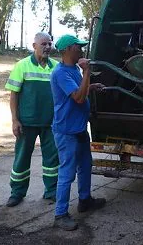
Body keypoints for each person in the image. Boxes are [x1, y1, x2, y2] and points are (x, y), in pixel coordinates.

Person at [50, 34, 106, 231]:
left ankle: (85, 200)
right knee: (66, 173)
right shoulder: (60, 73)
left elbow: (79, 90)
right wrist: (87, 71)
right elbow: (79, 98)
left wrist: (90, 86)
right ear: (67, 50)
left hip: (79, 128)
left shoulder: (72, 69)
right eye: (78, 47)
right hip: (67, 132)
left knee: (85, 166)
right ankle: (60, 214)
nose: (82, 50)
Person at [5, 32, 59, 207]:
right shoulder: (22, 66)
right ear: (34, 45)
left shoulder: (56, 67)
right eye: (43, 44)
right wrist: (15, 120)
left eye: (50, 44)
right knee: (21, 158)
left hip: (50, 123)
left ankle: (51, 192)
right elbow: (14, 95)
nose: (47, 47)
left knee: (52, 160)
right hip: (26, 123)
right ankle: (17, 193)